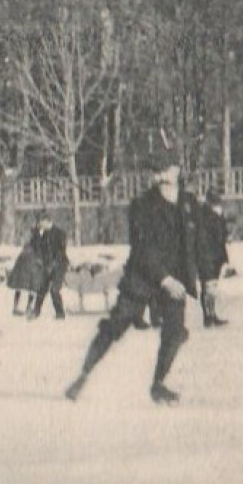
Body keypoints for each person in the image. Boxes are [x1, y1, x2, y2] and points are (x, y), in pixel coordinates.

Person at [65, 157, 197, 405]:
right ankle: (83, 375)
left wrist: (204, 275)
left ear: (177, 171)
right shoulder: (142, 205)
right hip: (143, 278)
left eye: (167, 169)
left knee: (175, 330)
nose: (162, 176)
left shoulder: (188, 203)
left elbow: (196, 241)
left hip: (175, 280)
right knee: (115, 326)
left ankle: (158, 385)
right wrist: (165, 278)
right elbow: (143, 248)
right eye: (157, 171)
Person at [197, 190, 230, 328]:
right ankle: (208, 316)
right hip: (207, 256)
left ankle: (211, 314)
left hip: (213, 256)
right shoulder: (205, 216)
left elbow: (222, 234)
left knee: (211, 287)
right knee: (209, 287)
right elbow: (217, 235)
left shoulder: (213, 215)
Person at [6, 224, 48, 318]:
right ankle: (27, 307)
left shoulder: (29, 241)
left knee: (20, 286)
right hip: (31, 264)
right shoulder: (38, 240)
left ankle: (16, 307)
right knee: (32, 286)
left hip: (23, 261)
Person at [33, 215, 69, 320]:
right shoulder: (43, 235)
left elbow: (61, 252)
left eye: (41, 222)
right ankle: (36, 312)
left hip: (59, 266)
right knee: (41, 288)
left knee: (54, 289)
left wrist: (53, 264)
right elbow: (39, 249)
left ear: (47, 221)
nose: (39, 224)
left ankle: (60, 313)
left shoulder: (60, 233)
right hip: (47, 265)